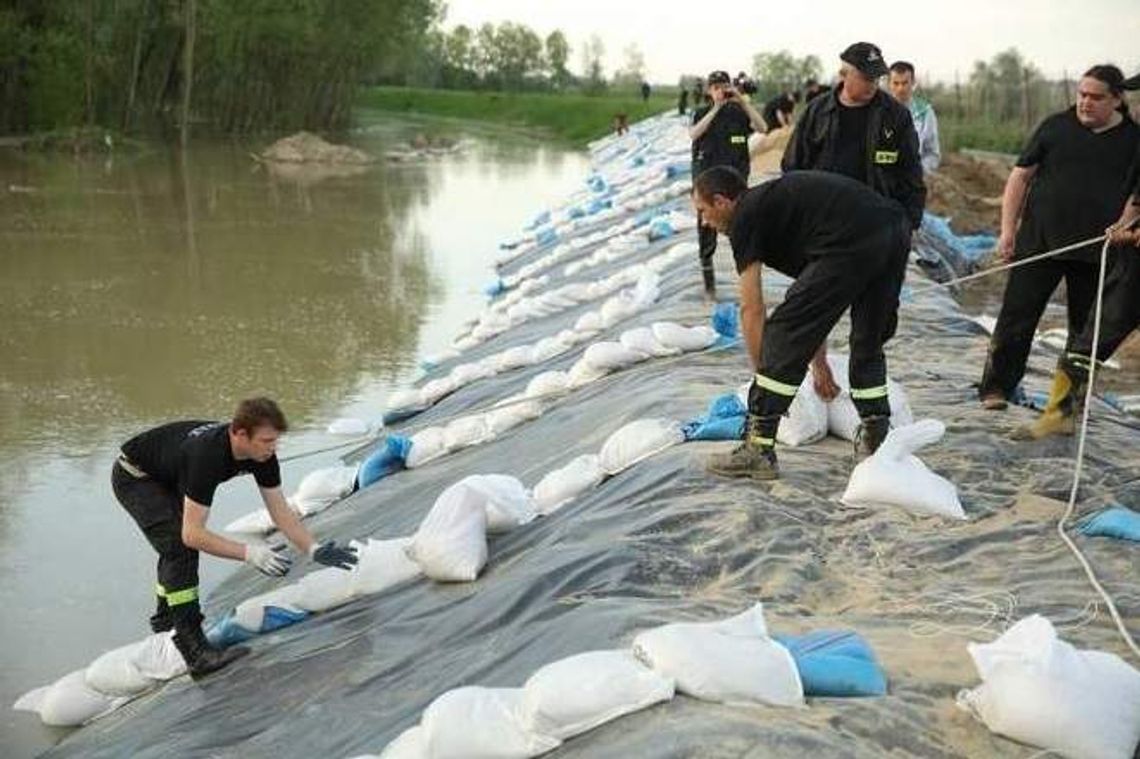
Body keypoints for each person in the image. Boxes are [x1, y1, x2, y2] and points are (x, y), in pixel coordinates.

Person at [112, 397, 359, 678]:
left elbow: (279, 511)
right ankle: (195, 651)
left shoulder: (262, 456)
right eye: (267, 441)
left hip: (169, 471)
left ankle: (165, 618)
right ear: (240, 433)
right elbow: (193, 534)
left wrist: (313, 548)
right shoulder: (206, 456)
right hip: (136, 477)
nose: (272, 448)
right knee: (179, 547)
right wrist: (250, 553)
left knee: (173, 544)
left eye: (275, 441)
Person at [694, 167, 911, 480]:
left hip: (854, 236)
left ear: (721, 201)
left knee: (781, 333)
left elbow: (751, 309)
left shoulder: (745, 217)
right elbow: (813, 304)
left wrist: (763, 377)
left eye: (702, 211)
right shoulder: (782, 210)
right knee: (867, 339)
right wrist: (819, 364)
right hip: (893, 229)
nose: (703, 222)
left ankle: (758, 449)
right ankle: (876, 439)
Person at [977, 65, 1140, 412]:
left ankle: (1066, 404)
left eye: (1096, 97)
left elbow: (1135, 198)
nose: (1085, 102)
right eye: (1081, 94)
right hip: (1040, 244)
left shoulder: (1133, 140)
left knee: (1084, 335)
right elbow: (1020, 178)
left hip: (1098, 252)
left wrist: (1124, 225)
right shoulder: (1055, 127)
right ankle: (996, 388)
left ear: (1116, 100)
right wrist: (1008, 231)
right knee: (1016, 319)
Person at [782, 42, 926, 232]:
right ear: (844, 75)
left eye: (877, 78)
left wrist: (908, 224)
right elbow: (793, 166)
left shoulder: (896, 116)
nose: (873, 84)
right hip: (822, 223)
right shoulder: (817, 112)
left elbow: (911, 174)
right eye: (866, 78)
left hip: (875, 226)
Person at [689, 70, 767, 298]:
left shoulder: (738, 113)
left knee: (742, 225)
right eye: (715, 87)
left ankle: (747, 276)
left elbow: (763, 128)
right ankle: (708, 279)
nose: (720, 90)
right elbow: (694, 134)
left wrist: (741, 100)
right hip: (707, 179)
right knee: (706, 228)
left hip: (735, 180)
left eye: (724, 86)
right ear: (709, 91)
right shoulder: (702, 113)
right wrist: (716, 107)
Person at [888, 61, 941, 173]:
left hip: (913, 179)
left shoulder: (925, 112)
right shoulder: (879, 111)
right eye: (896, 83)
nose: (900, 89)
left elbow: (932, 153)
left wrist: (919, 171)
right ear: (889, 84)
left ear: (913, 83)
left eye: (905, 83)